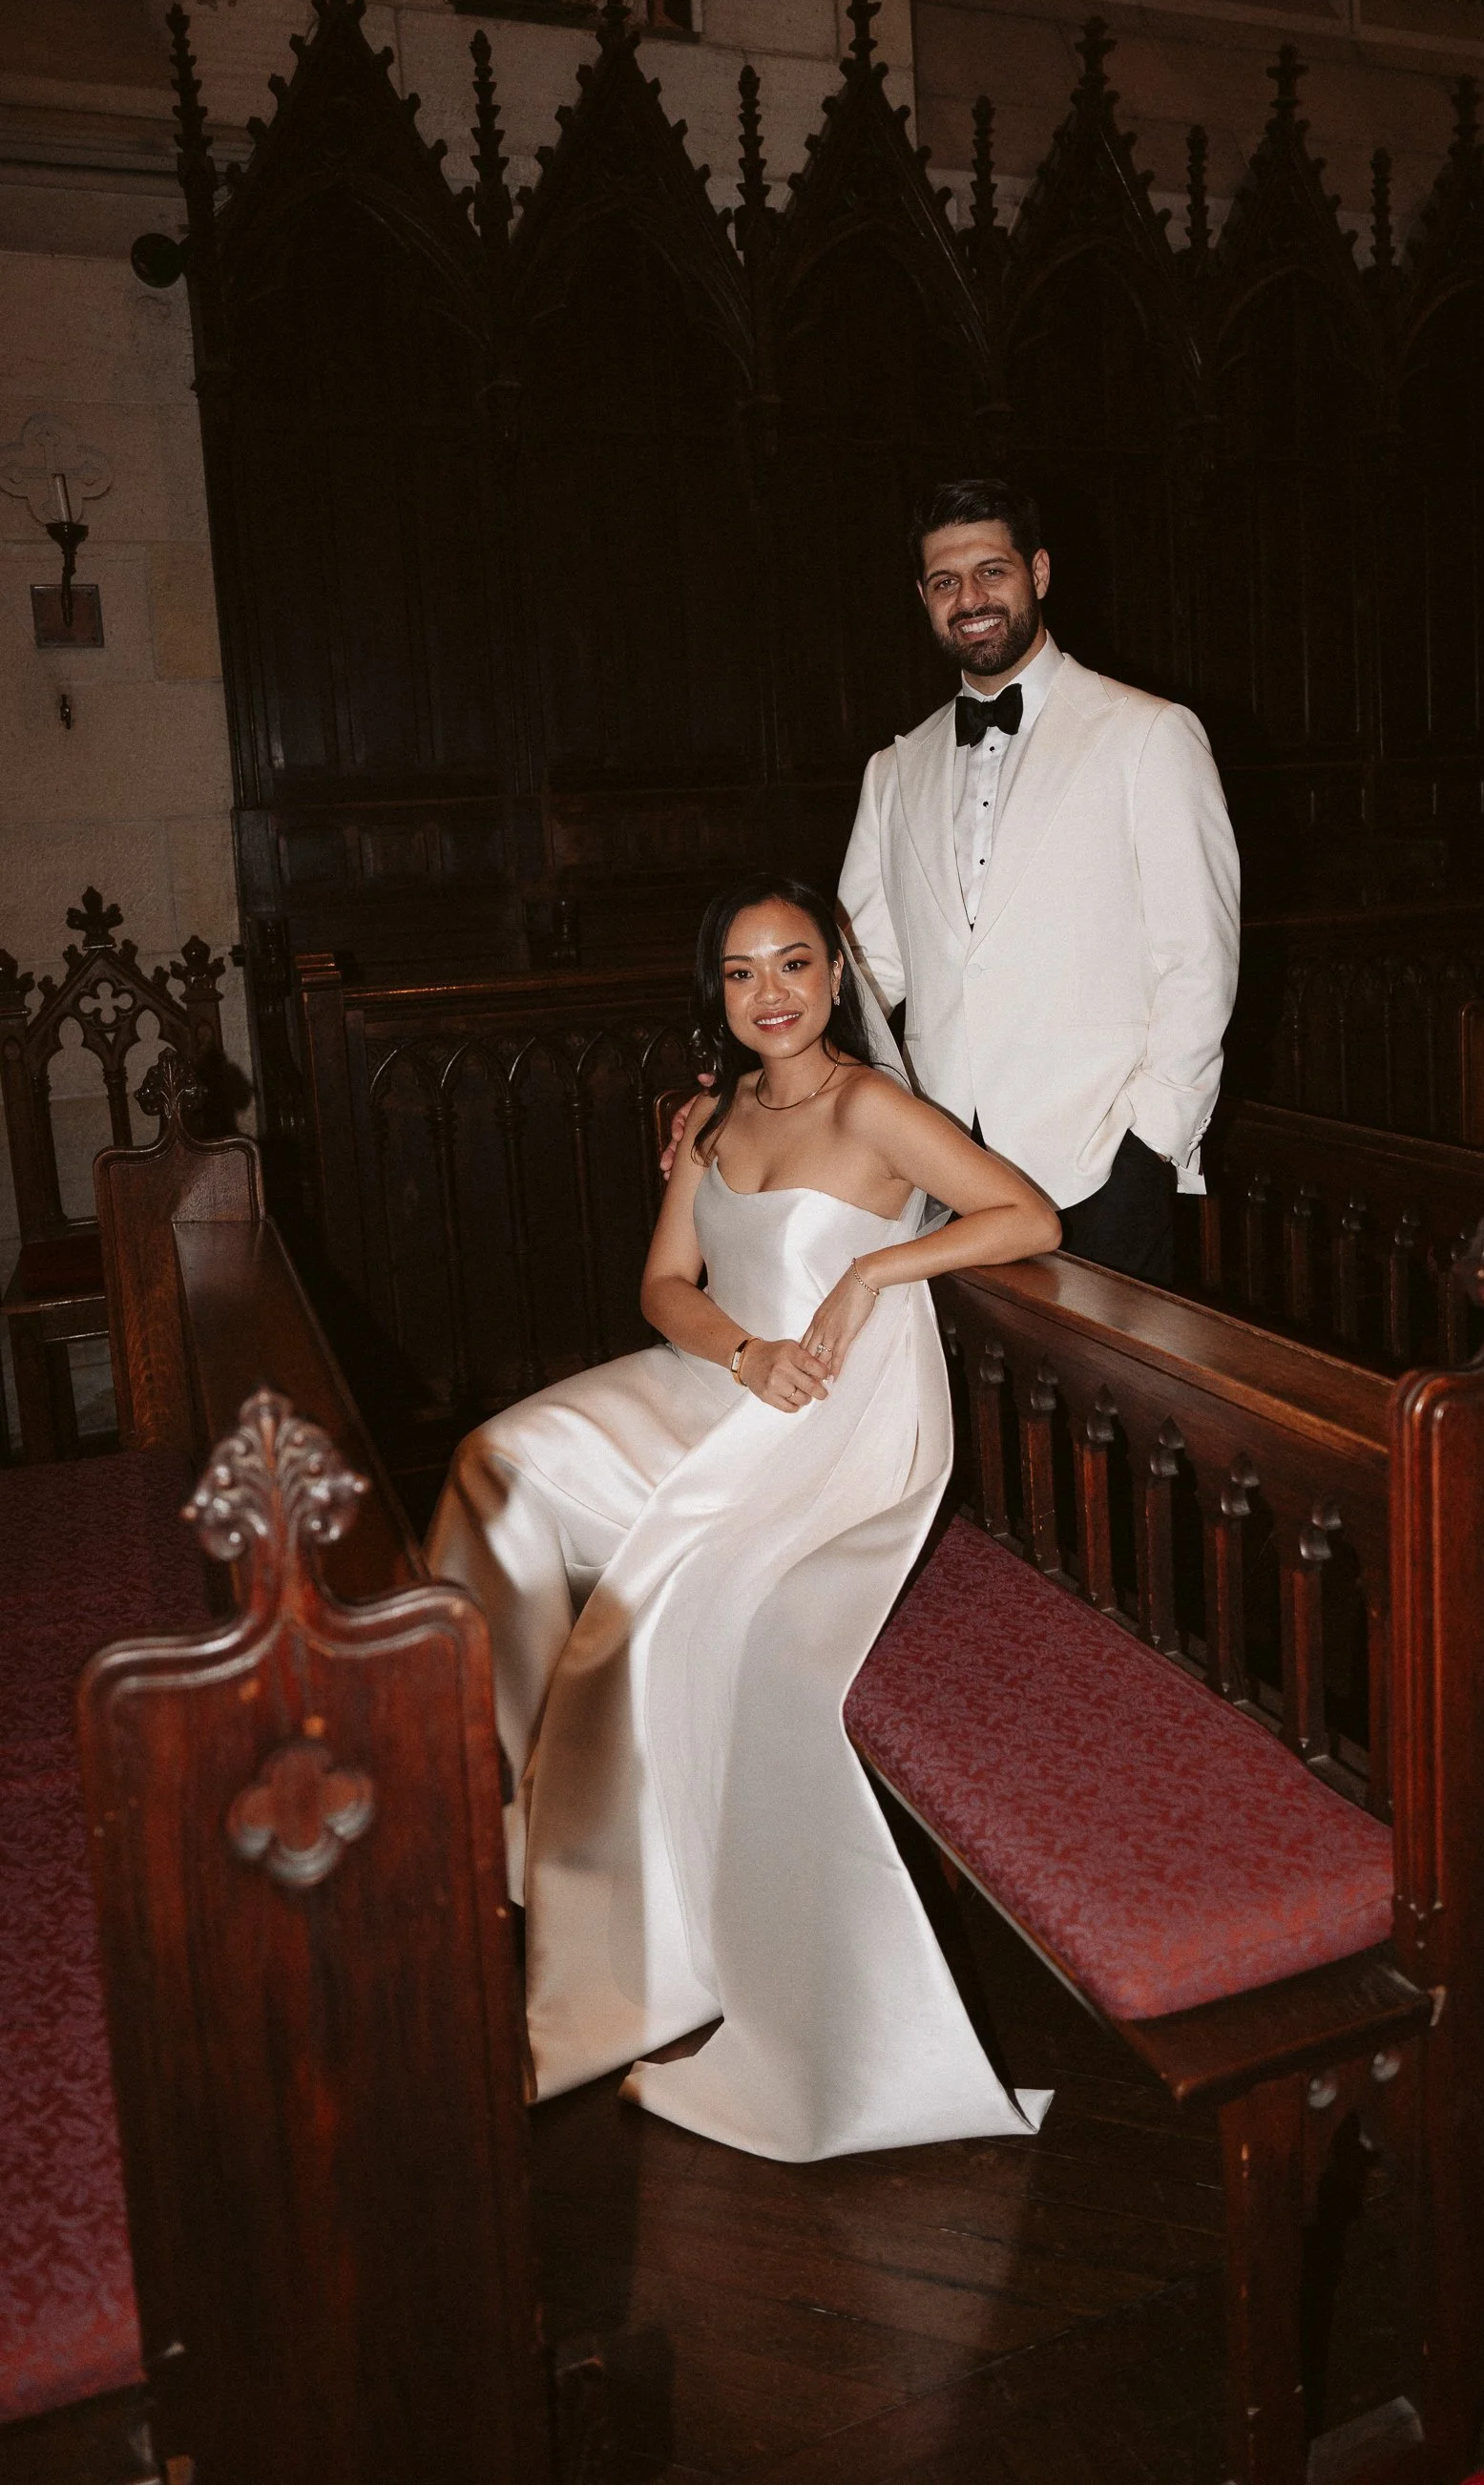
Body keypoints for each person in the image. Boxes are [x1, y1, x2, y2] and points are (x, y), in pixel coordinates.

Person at [427, 874, 1058, 2158]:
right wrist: (738, 1351)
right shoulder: (713, 1114)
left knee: (653, 1616)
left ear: (834, 974)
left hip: (831, 1417)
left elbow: (1027, 1215)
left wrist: (875, 1269)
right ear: (714, 990)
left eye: (794, 964)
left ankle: (638, 1938)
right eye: (741, 971)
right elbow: (666, 1284)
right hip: (719, 1381)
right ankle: (495, 1808)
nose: (771, 993)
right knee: (497, 1467)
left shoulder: (873, 1105)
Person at [837, 479, 1240, 1287]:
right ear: (923, 598)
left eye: (992, 571)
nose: (970, 600)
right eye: (945, 582)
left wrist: (1151, 1146)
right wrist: (754, 1081)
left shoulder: (1149, 734)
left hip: (1100, 1165)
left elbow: (1200, 960)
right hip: (940, 1171)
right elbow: (861, 973)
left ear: (1040, 573)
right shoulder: (893, 771)